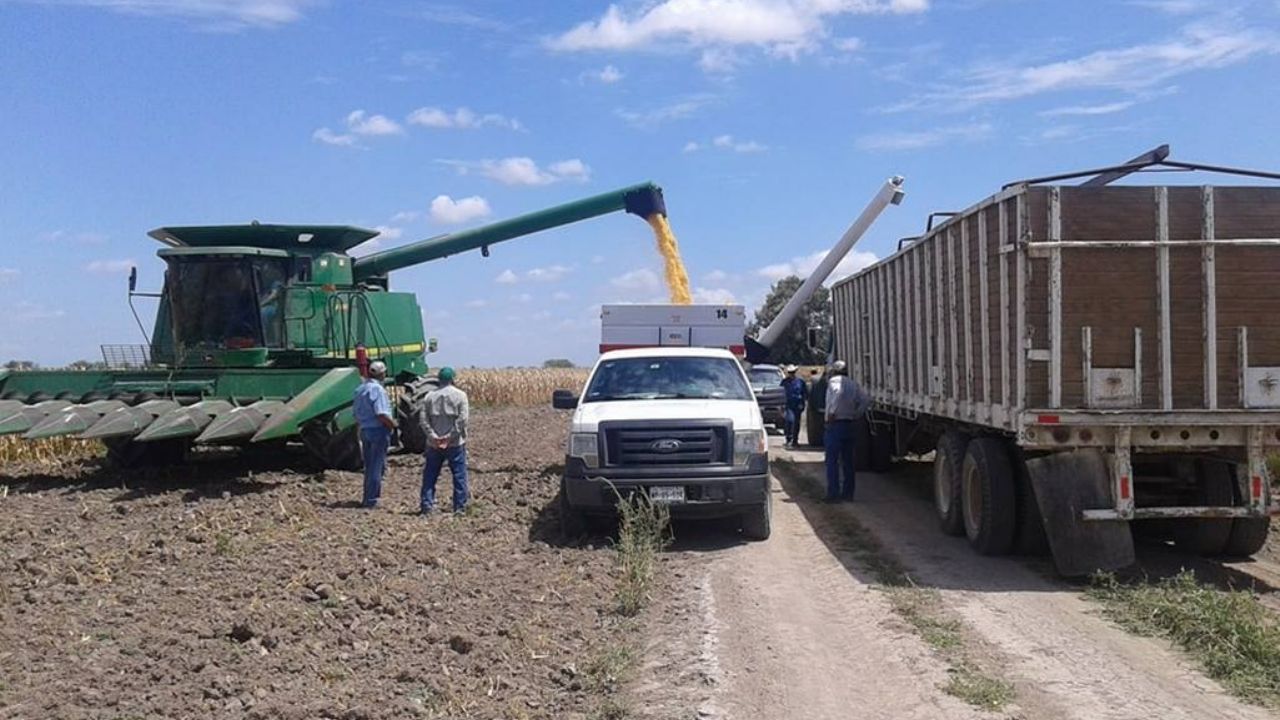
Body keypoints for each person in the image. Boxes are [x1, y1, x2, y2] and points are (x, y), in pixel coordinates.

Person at [420, 366, 470, 515]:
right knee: (459, 475)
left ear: (438, 380)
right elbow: (463, 420)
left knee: (430, 475)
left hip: (433, 444)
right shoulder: (461, 395)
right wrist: (449, 437)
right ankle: (459, 507)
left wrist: (433, 436)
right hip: (455, 443)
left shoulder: (429, 396)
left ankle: (427, 505)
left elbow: (423, 419)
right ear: (453, 379)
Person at [824, 360, 870, 502]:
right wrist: (857, 414)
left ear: (834, 371)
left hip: (836, 424)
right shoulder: (853, 384)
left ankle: (833, 494)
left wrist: (832, 412)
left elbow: (837, 393)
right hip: (849, 424)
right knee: (848, 462)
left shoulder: (834, 382)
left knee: (832, 461)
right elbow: (865, 400)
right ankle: (848, 494)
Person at [353, 360, 396, 508]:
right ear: (382, 373)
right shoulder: (378, 390)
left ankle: (367, 497)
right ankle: (372, 500)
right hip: (378, 430)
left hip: (364, 430)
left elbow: (356, 414)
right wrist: (393, 425)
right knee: (377, 466)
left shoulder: (360, 389)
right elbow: (381, 414)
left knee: (370, 465)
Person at [780, 364, 808, 449]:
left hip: (798, 404)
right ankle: (789, 439)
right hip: (788, 404)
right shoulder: (784, 382)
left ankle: (795, 440)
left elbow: (804, 393)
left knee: (797, 423)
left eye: (792, 372)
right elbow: (781, 393)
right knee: (790, 420)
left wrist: (803, 403)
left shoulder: (800, 382)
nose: (791, 374)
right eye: (790, 372)